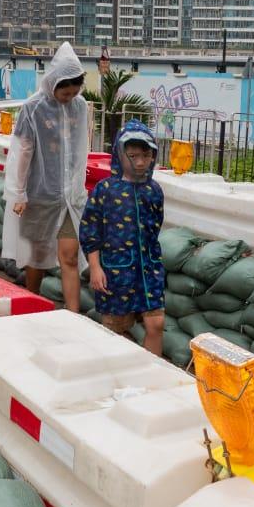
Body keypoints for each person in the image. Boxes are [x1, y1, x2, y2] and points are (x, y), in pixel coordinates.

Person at [3, 42, 89, 310]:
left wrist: (78, 187)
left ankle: (73, 315)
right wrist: (18, 192)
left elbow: (80, 148)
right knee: (37, 257)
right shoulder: (33, 108)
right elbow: (22, 151)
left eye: (74, 93)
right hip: (40, 194)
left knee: (70, 256)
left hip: (69, 198)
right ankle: (33, 303)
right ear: (52, 84)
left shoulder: (80, 107)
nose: (69, 98)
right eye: (65, 93)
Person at [79, 120, 166, 356]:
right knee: (114, 331)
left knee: (156, 324)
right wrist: (95, 268)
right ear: (120, 155)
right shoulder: (105, 190)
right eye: (133, 156)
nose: (140, 162)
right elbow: (90, 231)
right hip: (116, 272)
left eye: (146, 156)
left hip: (149, 271)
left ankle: (152, 381)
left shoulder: (154, 191)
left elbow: (154, 228)